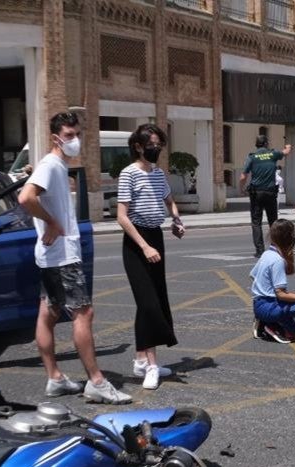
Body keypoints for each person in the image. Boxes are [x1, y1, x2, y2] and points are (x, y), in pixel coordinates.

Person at [18, 111, 132, 404]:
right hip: (63, 255)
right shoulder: (51, 165)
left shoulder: (53, 166)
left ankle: (54, 378)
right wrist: (54, 222)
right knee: (84, 313)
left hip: (50, 255)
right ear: (56, 138)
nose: (75, 140)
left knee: (49, 311)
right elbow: (25, 197)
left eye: (78, 134)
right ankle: (96, 381)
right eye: (69, 136)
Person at [116, 123, 184, 391]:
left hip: (155, 237)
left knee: (153, 300)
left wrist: (176, 220)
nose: (156, 149)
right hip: (136, 242)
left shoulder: (157, 174)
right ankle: (152, 366)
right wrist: (144, 246)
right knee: (148, 304)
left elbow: (170, 201)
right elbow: (122, 216)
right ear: (138, 146)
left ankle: (140, 360)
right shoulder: (128, 174)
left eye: (159, 145)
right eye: (152, 145)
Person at [250, 219, 295, 343]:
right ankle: (274, 324)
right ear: (290, 238)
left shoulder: (267, 254)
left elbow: (253, 275)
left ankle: (278, 326)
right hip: (270, 307)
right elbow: (281, 294)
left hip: (259, 304)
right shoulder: (277, 260)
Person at [239, 134, 292, 257]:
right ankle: (276, 248)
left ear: (256, 144)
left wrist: (241, 189)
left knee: (256, 223)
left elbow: (243, 176)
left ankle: (259, 251)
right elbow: (286, 152)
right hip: (270, 193)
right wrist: (288, 145)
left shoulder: (252, 157)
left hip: (256, 193)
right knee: (273, 222)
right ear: (266, 144)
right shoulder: (273, 154)